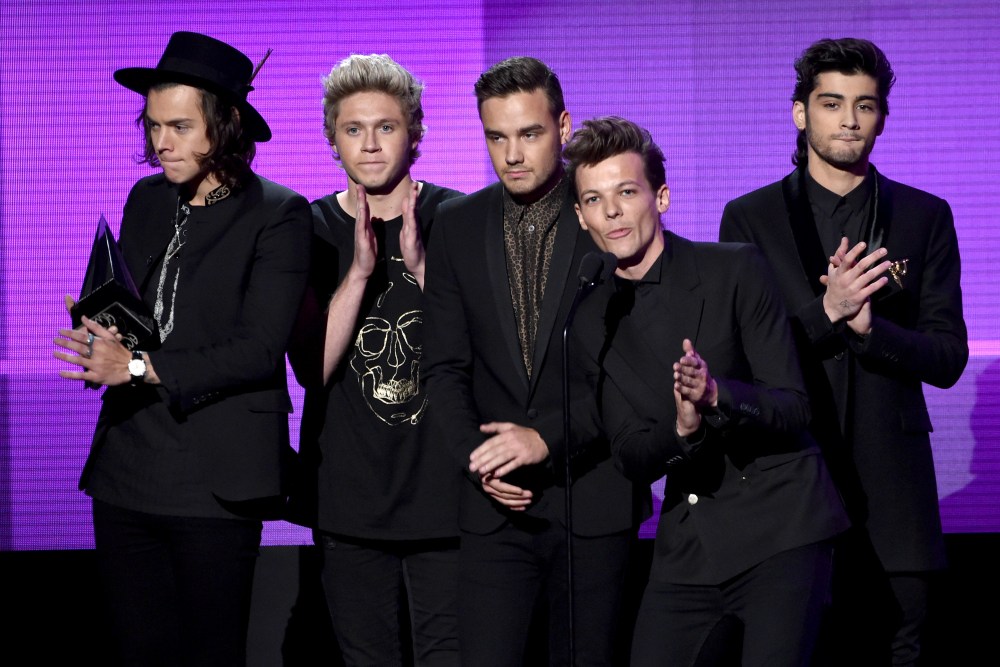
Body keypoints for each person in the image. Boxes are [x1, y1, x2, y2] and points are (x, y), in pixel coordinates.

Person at [51, 31, 311, 667]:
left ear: (222, 126)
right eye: (152, 125)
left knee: (212, 652)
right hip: (128, 470)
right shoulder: (145, 198)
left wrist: (136, 365)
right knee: (139, 650)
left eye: (179, 126)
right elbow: (142, 313)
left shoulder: (278, 213)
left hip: (214, 481)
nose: (160, 141)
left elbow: (257, 348)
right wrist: (102, 337)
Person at [565, 115, 850, 666]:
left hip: (781, 526)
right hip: (690, 540)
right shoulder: (590, 321)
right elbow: (630, 453)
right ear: (581, 216)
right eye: (595, 200)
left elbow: (794, 406)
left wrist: (718, 396)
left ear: (661, 197)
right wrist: (681, 430)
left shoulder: (732, 270)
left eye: (627, 191)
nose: (613, 211)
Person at [719, 38, 968, 665]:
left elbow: (947, 356)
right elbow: (740, 361)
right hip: (793, 482)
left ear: (883, 116)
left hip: (895, 492)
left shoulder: (923, 215)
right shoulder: (750, 218)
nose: (850, 119)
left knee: (898, 650)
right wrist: (827, 316)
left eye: (865, 105)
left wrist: (870, 330)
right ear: (801, 112)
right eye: (832, 103)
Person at [421, 58, 646, 666]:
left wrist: (544, 439)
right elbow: (441, 366)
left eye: (529, 134)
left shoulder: (607, 216)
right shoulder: (456, 225)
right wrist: (480, 459)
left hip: (593, 499)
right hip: (495, 511)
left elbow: (631, 376)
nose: (512, 154)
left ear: (564, 127)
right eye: (497, 137)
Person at [287, 53, 462, 666]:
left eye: (386, 127)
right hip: (349, 493)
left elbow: (480, 351)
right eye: (352, 129)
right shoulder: (306, 227)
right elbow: (314, 367)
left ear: (414, 132)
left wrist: (419, 269)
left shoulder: (458, 218)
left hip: (445, 488)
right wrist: (361, 273)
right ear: (332, 139)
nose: (369, 143)